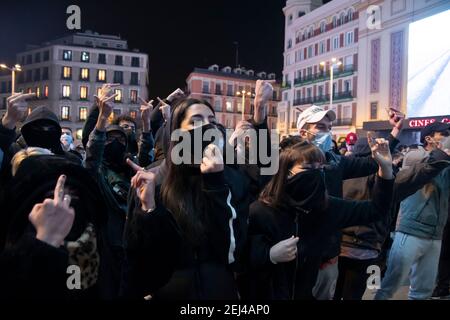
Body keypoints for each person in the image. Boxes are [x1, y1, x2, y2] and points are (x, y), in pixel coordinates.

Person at [122, 98, 251, 300]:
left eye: (212, 121)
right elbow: (136, 255)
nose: (207, 126)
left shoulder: (231, 179)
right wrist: (149, 210)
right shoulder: (153, 180)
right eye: (196, 121)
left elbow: (233, 251)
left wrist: (215, 184)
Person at [247, 134, 394, 299]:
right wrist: (269, 255)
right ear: (286, 172)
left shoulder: (326, 207)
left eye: (320, 168)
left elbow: (376, 210)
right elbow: (240, 261)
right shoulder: (260, 211)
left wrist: (386, 170)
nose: (316, 174)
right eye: (308, 168)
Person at [295, 104, 402, 300]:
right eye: (320, 127)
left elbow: (370, 162)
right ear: (303, 132)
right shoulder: (287, 160)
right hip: (295, 257)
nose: (327, 132)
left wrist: (394, 134)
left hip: (328, 258)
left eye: (328, 127)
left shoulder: (336, 162)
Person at [334, 134, 450, 300]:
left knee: (340, 292)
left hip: (344, 248)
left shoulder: (339, 172)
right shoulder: (382, 178)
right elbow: (412, 177)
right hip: (368, 246)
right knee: (373, 288)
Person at [0, 155, 115, 299]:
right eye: (51, 197)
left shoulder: (95, 236)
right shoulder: (15, 244)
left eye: (72, 195)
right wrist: (44, 243)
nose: (63, 207)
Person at [375, 122, 450, 300]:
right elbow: (425, 167)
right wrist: (443, 154)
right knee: (389, 286)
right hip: (411, 231)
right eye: (444, 133)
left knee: (423, 290)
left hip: (436, 233)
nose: (448, 136)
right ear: (429, 138)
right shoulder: (415, 155)